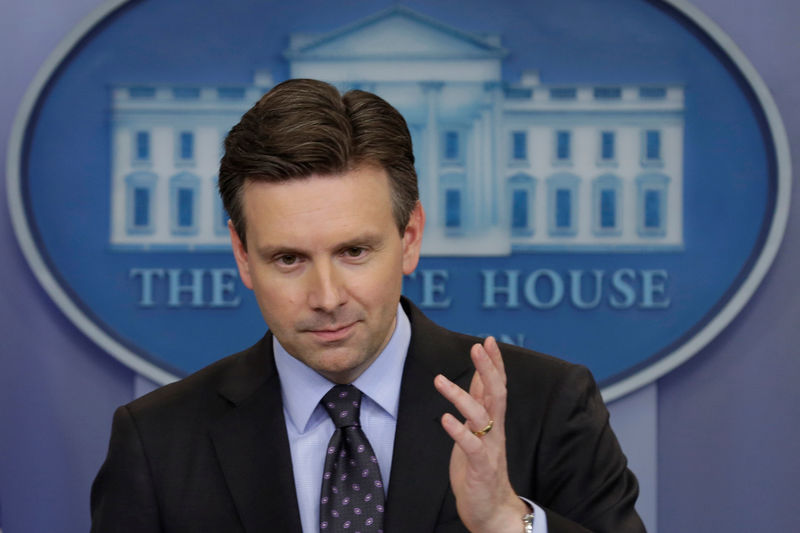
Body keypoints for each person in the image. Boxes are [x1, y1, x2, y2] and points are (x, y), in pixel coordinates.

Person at [90, 79, 645, 533]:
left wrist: (505, 520)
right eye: (288, 259)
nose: (327, 297)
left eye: (354, 251)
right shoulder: (157, 440)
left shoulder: (545, 407)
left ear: (410, 238)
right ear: (241, 254)